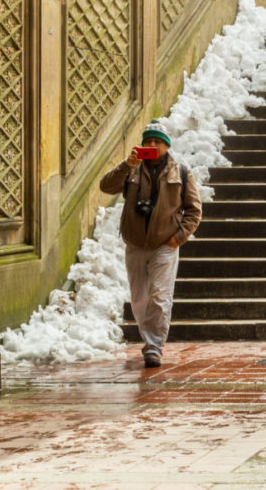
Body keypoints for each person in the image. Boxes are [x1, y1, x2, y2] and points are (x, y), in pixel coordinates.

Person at [99, 121, 202, 368]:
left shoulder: (182, 172)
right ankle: (149, 338)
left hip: (165, 244)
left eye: (157, 142)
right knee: (139, 298)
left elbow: (194, 210)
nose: (152, 146)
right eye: (148, 141)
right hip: (135, 243)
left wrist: (178, 237)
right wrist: (127, 164)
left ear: (166, 145)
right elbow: (105, 186)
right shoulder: (132, 170)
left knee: (160, 295)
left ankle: (153, 347)